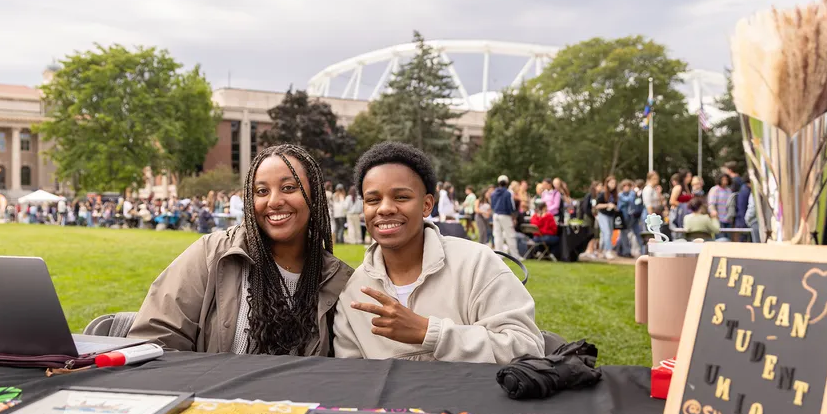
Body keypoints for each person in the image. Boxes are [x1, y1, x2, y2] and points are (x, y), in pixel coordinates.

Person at [130, 144, 353, 355]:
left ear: (315, 196)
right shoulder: (212, 255)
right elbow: (155, 339)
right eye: (262, 191)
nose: (274, 201)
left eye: (288, 188)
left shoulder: (337, 281)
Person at [333, 142, 544, 363]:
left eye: (401, 197)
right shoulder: (353, 290)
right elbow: (350, 376)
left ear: (427, 205)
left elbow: (528, 348)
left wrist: (431, 334)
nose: (385, 208)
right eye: (373, 200)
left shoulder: (477, 264)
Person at [594, 177, 619, 260]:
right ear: (607, 183)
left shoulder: (614, 194)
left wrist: (614, 207)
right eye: (611, 183)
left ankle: (603, 251)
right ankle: (608, 251)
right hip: (603, 215)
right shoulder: (603, 193)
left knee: (608, 234)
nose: (613, 185)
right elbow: (597, 205)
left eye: (614, 183)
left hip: (611, 215)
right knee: (607, 233)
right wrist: (608, 205)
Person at [491, 175, 517, 254]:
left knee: (497, 235)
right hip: (505, 215)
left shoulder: (493, 193)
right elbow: (510, 206)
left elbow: (492, 205)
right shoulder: (507, 193)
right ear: (506, 183)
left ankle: (499, 255)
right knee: (510, 235)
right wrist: (513, 217)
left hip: (496, 215)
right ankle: (515, 255)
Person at [707, 173, 733, 238]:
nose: (725, 181)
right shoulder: (715, 189)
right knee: (720, 238)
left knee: (728, 238)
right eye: (723, 179)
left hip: (728, 218)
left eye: (726, 179)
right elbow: (711, 203)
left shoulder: (729, 190)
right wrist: (713, 211)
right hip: (719, 218)